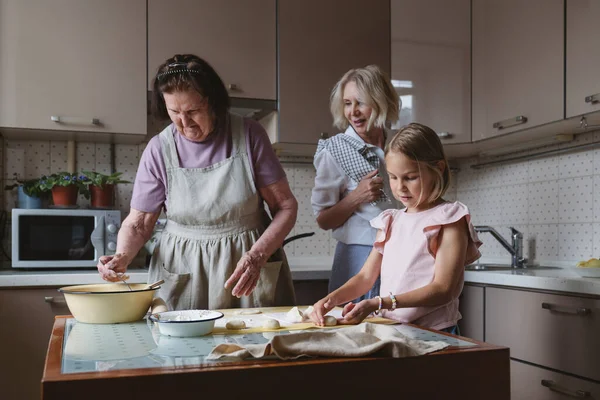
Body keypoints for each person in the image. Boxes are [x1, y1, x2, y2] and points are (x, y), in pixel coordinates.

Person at [97, 54, 297, 310]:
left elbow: (286, 206)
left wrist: (257, 256)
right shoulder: (159, 148)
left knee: (255, 344)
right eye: (174, 112)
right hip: (181, 268)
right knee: (180, 347)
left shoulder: (249, 136)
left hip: (246, 267)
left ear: (213, 102)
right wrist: (121, 257)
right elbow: (138, 224)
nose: (184, 122)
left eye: (193, 111)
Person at [310, 123, 482, 333]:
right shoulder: (390, 220)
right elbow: (365, 278)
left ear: (438, 168)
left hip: (435, 332)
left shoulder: (450, 218)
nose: (400, 187)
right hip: (391, 328)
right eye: (393, 177)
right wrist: (329, 300)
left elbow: (444, 289)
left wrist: (379, 303)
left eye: (410, 177)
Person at [311, 65, 400, 303]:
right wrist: (357, 197)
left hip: (401, 254)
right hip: (358, 256)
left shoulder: (400, 144)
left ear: (381, 102)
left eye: (361, 102)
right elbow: (323, 219)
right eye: (347, 103)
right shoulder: (335, 150)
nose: (353, 112)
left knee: (399, 330)